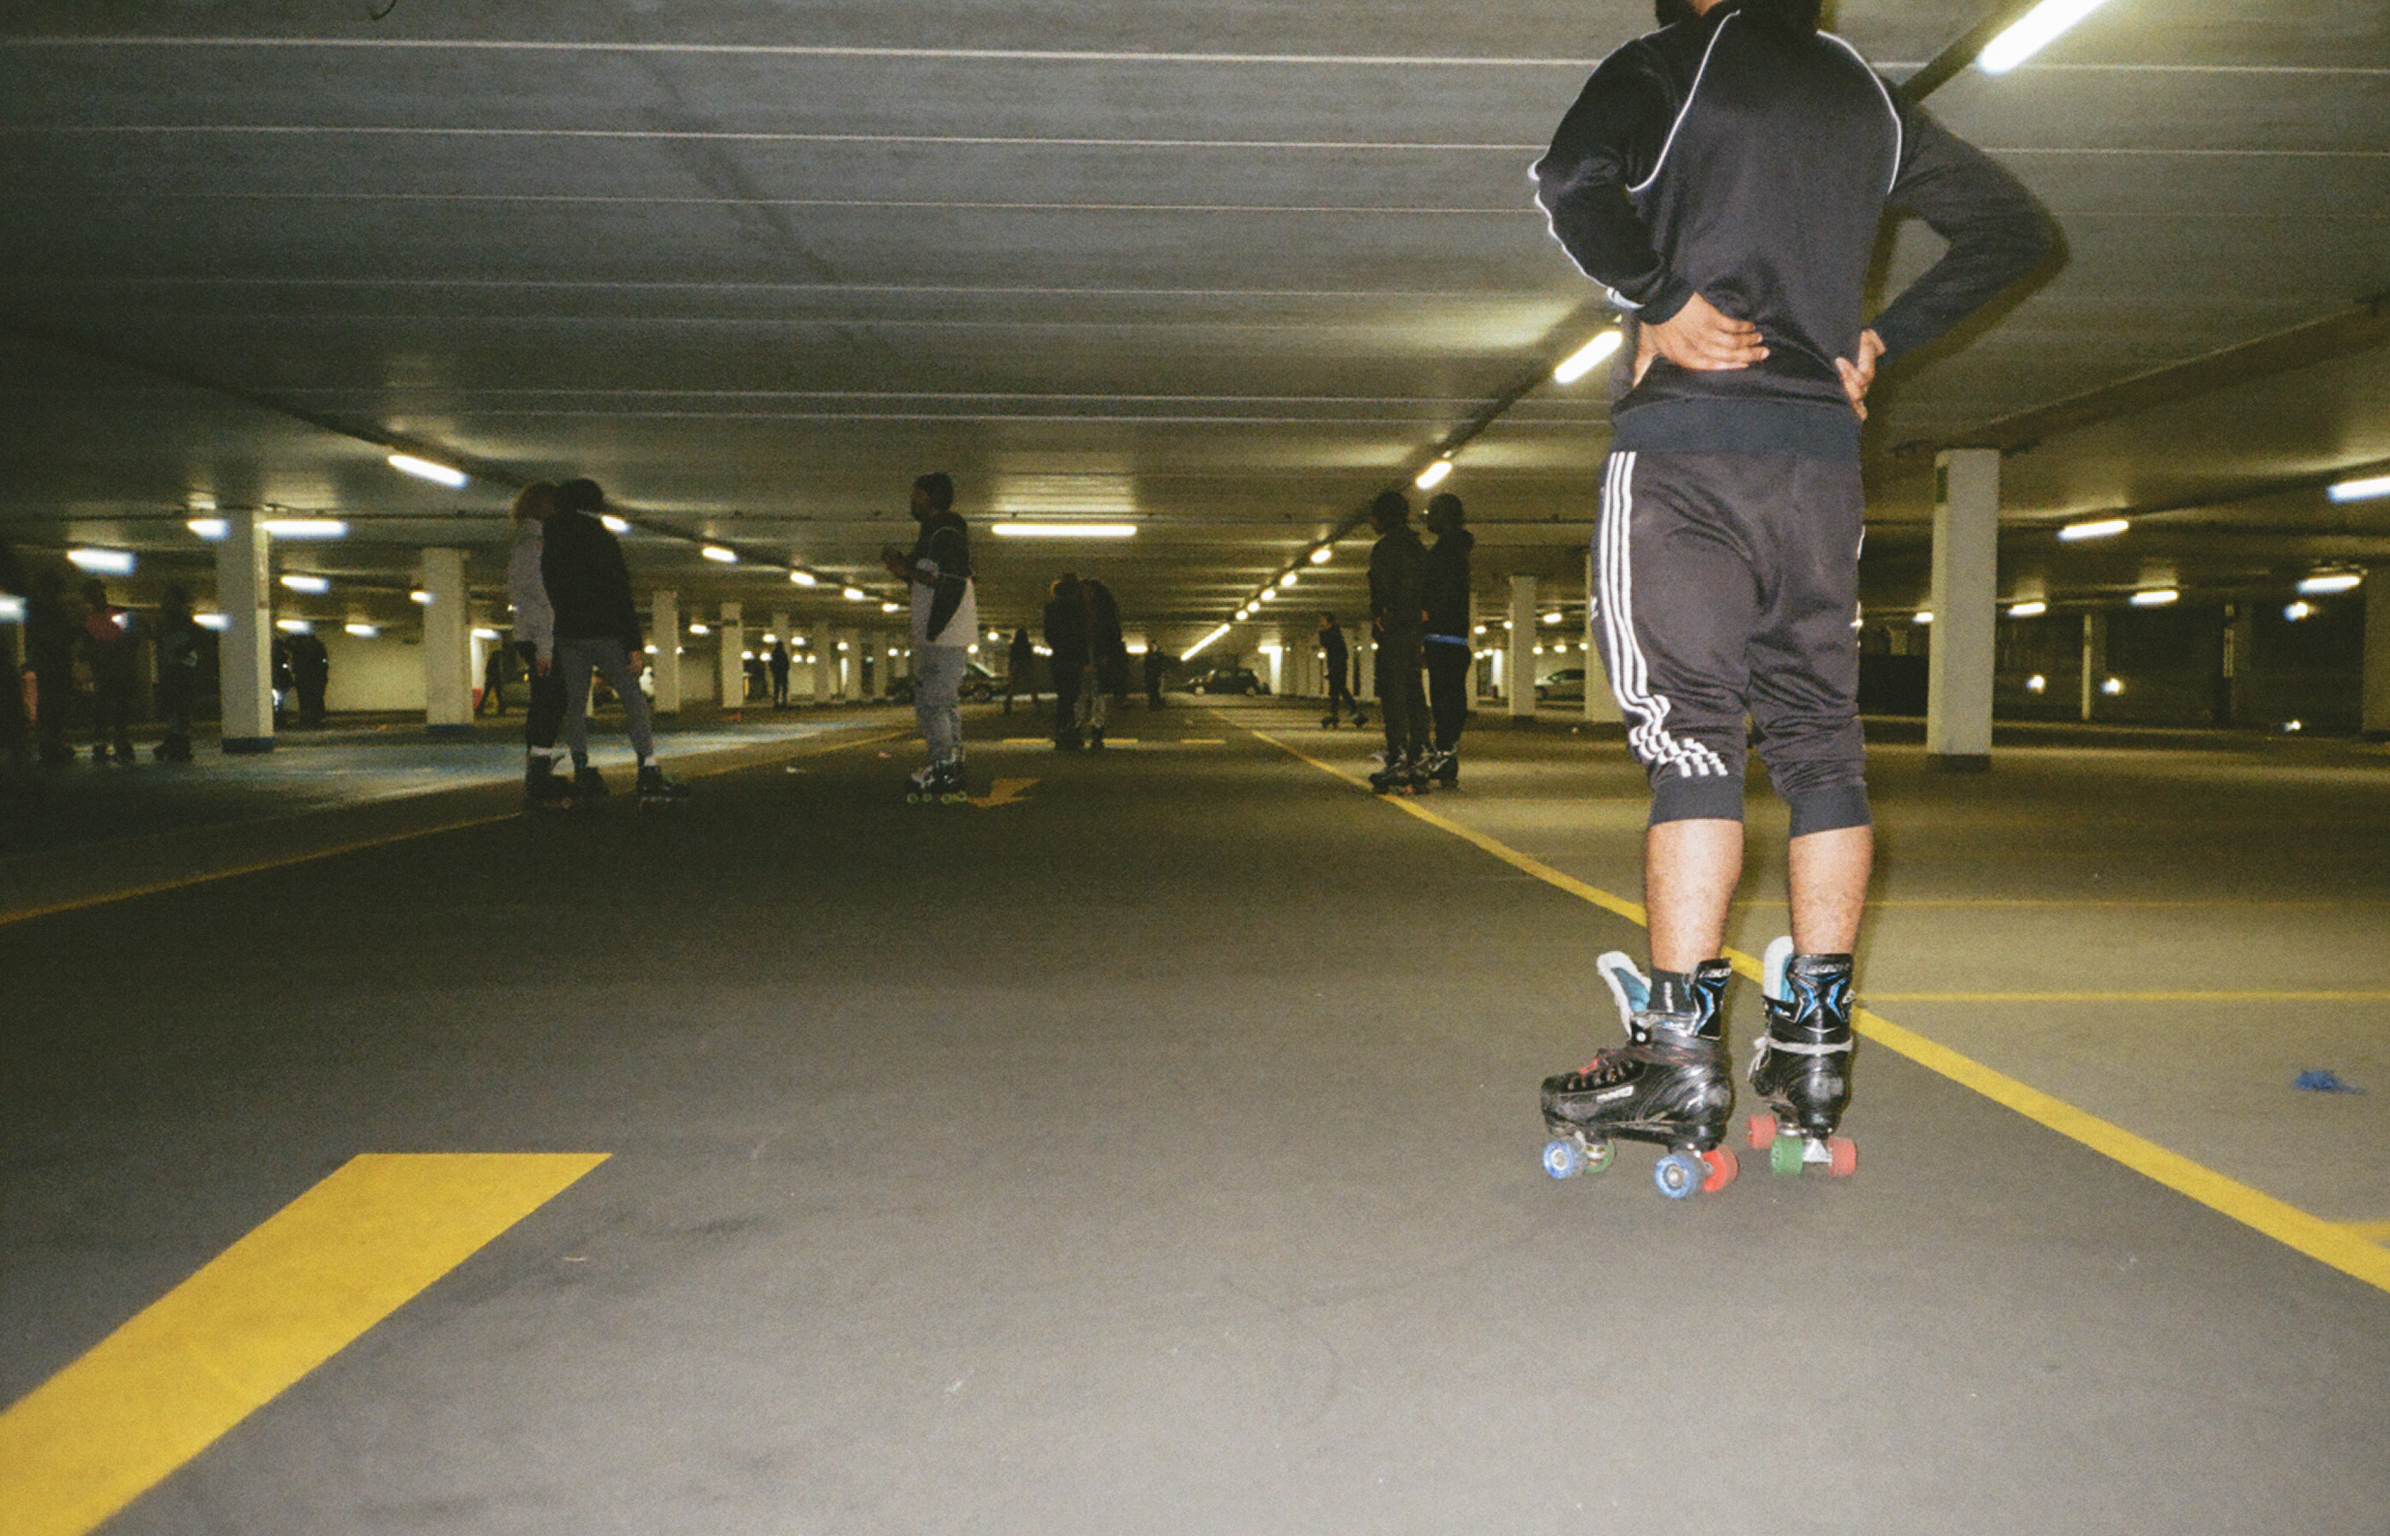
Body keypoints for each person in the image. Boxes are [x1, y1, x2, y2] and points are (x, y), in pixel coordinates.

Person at [1531, 0, 2055, 1185]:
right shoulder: (1863, 96)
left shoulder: (1671, 64)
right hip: (1817, 468)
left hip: (1685, 456)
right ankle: (1812, 1039)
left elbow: (1570, 180)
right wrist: (1879, 338)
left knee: (1692, 743)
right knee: (1821, 744)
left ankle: (1674, 1053)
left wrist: (1657, 296)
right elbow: (2014, 232)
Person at [545, 477, 689, 800]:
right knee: (633, 699)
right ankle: (648, 766)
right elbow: (619, 593)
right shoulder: (602, 540)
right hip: (606, 632)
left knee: (576, 706)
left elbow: (549, 588)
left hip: (569, 634)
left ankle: (582, 769)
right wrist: (633, 644)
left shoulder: (552, 540)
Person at [880, 470, 979, 799]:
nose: (911, 501)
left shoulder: (946, 533)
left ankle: (942, 766)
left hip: (944, 631)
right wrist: (905, 570)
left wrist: (934, 628)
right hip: (941, 631)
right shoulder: (933, 534)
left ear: (931, 498)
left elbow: (951, 580)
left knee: (931, 702)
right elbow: (931, 580)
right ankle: (951, 764)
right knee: (942, 700)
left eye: (917, 496)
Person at [507, 481, 577, 803]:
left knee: (550, 700)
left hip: (537, 635)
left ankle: (538, 767)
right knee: (550, 701)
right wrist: (546, 648)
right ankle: (537, 773)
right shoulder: (533, 545)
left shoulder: (531, 541)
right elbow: (541, 600)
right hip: (539, 636)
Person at [1365, 492, 1431, 793]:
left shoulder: (1385, 549)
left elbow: (1381, 588)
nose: (1371, 521)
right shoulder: (1418, 548)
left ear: (1384, 517)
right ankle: (1419, 757)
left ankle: (1397, 758)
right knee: (1415, 692)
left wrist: (1381, 616)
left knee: (1394, 694)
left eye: (1374, 516)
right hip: (1415, 628)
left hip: (1394, 628)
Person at [1421, 492, 1474, 786]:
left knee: (1444, 699)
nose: (1428, 518)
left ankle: (1444, 753)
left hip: (1442, 635)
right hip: (1454, 638)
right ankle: (1446, 752)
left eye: (1432, 512)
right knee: (1451, 697)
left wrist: (1427, 614)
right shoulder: (1457, 549)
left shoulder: (1446, 551)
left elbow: (1442, 590)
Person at [24, 565, 79, 765]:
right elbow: (56, 637)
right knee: (53, 704)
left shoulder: (39, 610)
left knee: (51, 703)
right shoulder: (50, 611)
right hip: (54, 662)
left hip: (49, 662)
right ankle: (52, 744)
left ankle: (51, 744)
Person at [79, 579, 139, 763]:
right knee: (107, 709)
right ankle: (112, 745)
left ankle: (112, 744)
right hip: (106, 669)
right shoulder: (95, 617)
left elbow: (129, 638)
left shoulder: (109, 615)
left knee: (114, 708)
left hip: (113, 668)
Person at [152, 584, 202, 762]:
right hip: (176, 667)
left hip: (180, 668)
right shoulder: (171, 621)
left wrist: (182, 650)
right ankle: (176, 742)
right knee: (177, 707)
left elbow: (194, 638)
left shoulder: (180, 621)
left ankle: (176, 742)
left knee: (177, 706)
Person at [1076, 576, 1125, 750]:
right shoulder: (1097, 613)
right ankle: (1082, 729)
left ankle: (1095, 731)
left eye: (1089, 592)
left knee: (1096, 696)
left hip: (1097, 655)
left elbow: (1113, 635)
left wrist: (1105, 655)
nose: (1086, 595)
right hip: (1086, 654)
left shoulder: (1099, 613)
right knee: (1083, 695)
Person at [1042, 573, 1087, 750]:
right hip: (1075, 656)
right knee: (1074, 696)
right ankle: (1072, 732)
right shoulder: (1078, 607)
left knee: (1063, 697)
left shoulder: (1051, 607)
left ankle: (1062, 732)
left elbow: (1049, 633)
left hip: (1059, 657)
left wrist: (1057, 647)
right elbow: (1081, 633)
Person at [1316, 612, 1364, 728]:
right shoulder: (1333, 631)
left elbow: (1327, 645)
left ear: (1328, 621)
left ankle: (1350, 710)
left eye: (1322, 620)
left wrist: (1321, 633)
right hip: (1336, 664)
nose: (1320, 622)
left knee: (1339, 689)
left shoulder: (1333, 632)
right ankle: (1338, 713)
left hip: (1337, 665)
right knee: (1336, 690)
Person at [1004, 626, 1035, 715]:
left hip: (1016, 664)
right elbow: (1030, 657)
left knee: (1012, 686)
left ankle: (1008, 705)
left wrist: (1010, 667)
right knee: (1031, 684)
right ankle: (1036, 703)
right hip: (1025, 663)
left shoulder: (1014, 645)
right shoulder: (1027, 645)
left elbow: (1011, 657)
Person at [479, 642, 511, 717]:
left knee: (487, 695)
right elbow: (497, 670)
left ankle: (480, 709)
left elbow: (487, 670)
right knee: (499, 695)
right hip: (496, 679)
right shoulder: (497, 660)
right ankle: (501, 709)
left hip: (491, 678)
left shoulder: (492, 659)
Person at [768, 638, 790, 707]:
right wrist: (785, 670)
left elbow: (771, 663)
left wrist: (773, 671)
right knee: (784, 687)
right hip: (783, 672)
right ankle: (784, 701)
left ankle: (776, 701)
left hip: (776, 673)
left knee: (776, 687)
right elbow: (787, 663)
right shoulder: (783, 653)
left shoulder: (774, 653)